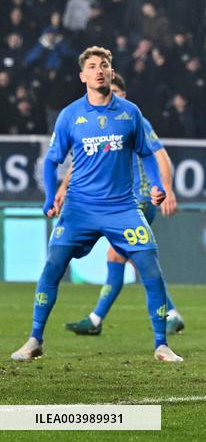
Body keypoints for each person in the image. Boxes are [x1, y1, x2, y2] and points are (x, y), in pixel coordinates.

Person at [11, 47, 181, 363]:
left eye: (104, 65)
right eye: (92, 66)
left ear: (111, 73)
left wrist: (158, 185)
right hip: (80, 209)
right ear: (83, 76)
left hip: (123, 208)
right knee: (53, 266)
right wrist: (50, 197)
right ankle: (34, 338)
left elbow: (148, 153)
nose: (99, 70)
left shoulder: (130, 113)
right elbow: (51, 162)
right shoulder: (70, 115)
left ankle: (161, 344)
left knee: (150, 269)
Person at [59, 73, 185, 336]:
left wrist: (168, 189)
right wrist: (63, 186)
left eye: (114, 91)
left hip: (137, 201)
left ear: (123, 95)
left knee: (122, 256)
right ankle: (164, 313)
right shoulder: (96, 123)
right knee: (128, 258)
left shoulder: (135, 120)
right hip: (120, 201)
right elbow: (82, 162)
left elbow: (162, 157)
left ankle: (98, 320)